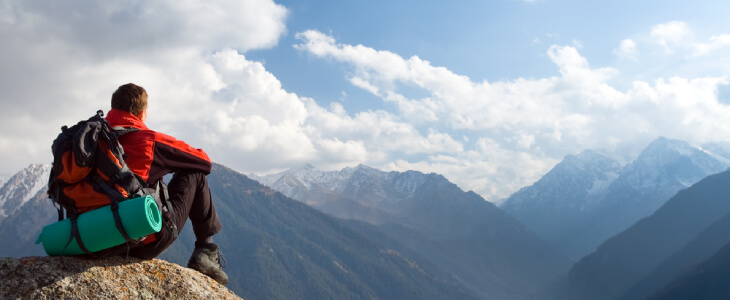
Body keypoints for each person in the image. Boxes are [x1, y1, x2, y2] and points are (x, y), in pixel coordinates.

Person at [105, 83, 228, 284]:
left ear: (113, 108)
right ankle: (205, 252)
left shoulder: (89, 141)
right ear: (142, 113)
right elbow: (204, 162)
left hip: (92, 235)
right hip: (141, 240)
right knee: (195, 173)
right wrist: (169, 165)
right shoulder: (148, 141)